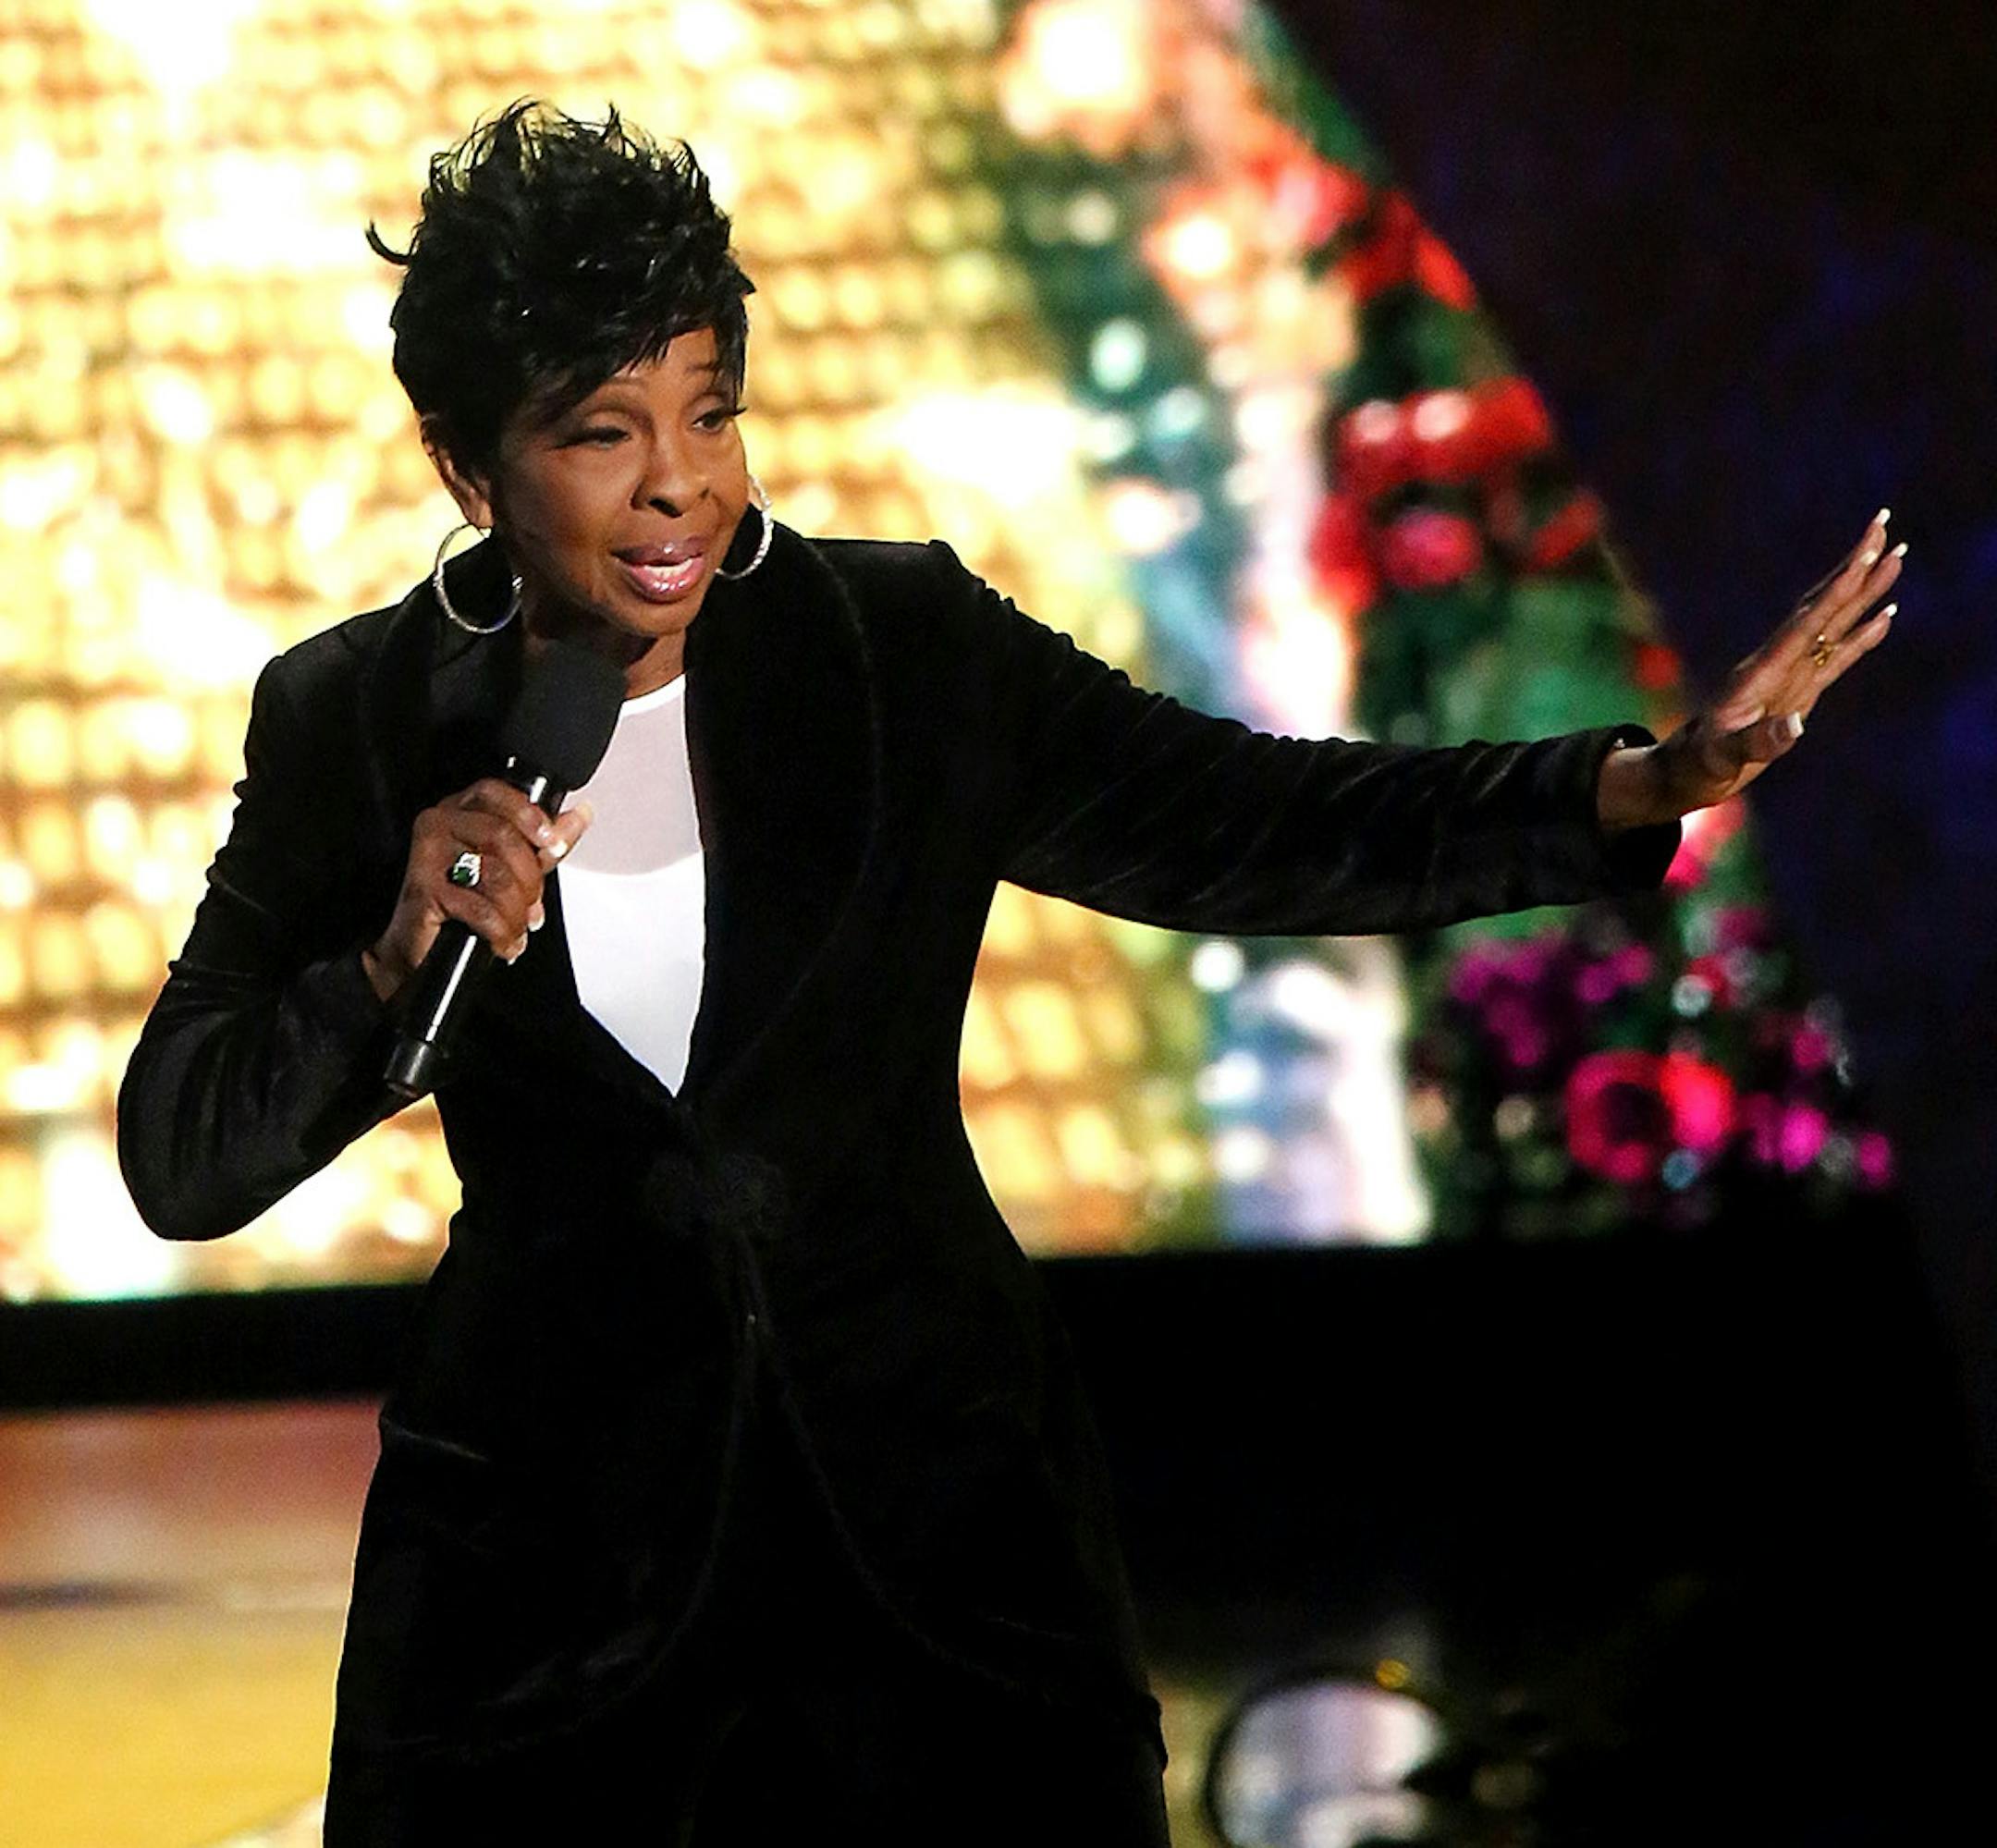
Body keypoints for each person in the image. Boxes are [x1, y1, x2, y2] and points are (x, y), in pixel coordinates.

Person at [115, 100, 1901, 1845]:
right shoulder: (355, 724)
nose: (680, 482)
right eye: (602, 431)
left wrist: (1631, 783)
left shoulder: (893, 654)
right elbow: (186, 1157)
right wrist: (383, 960)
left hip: (937, 1566)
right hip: (550, 1605)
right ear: (466, 462)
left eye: (711, 411)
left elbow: (1249, 820)